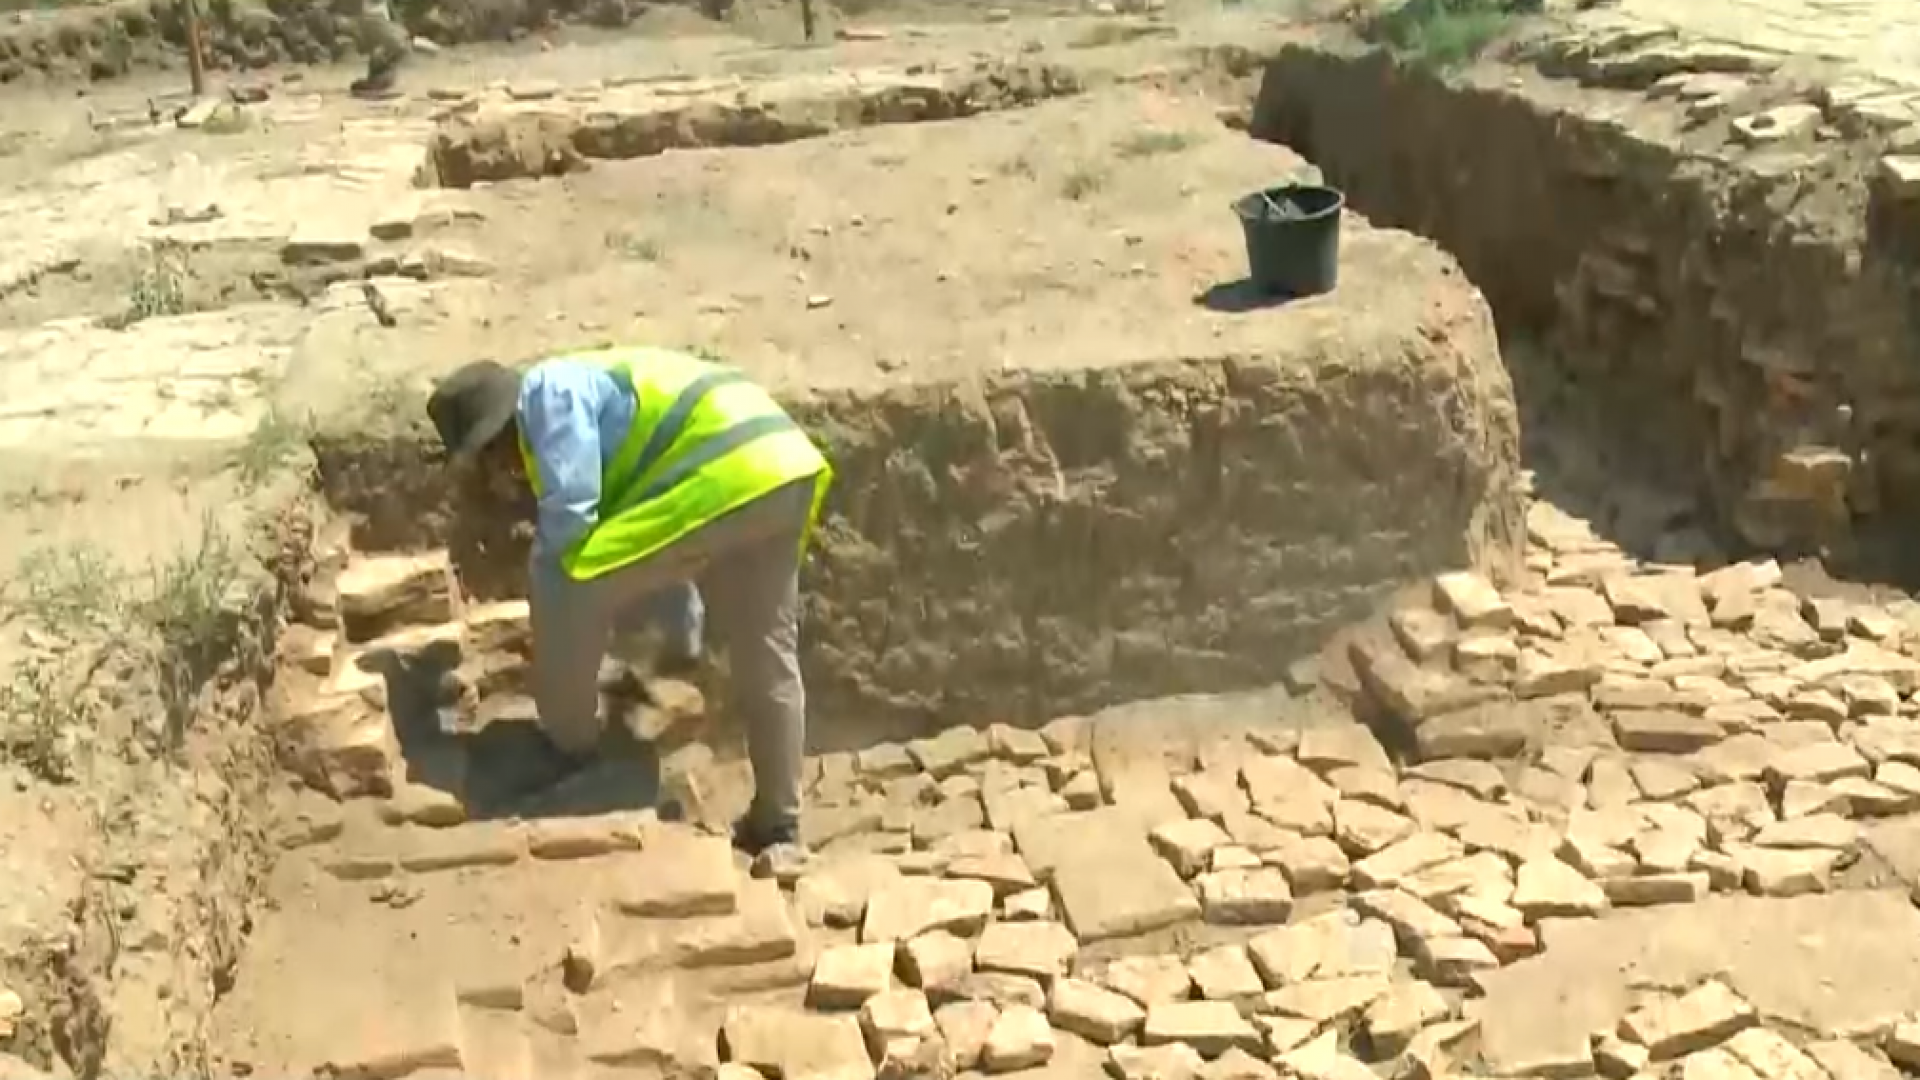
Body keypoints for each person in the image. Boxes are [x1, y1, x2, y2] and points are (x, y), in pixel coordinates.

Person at [425, 347, 833, 857]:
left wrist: (554, 600)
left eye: (488, 460)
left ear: (497, 433)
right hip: (780, 465)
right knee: (767, 654)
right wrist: (679, 633)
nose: (499, 477)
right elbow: (658, 535)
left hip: (726, 473)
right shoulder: (596, 392)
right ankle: (780, 823)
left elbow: (573, 517)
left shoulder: (550, 394)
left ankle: (568, 740)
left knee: (559, 573)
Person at [350, 0, 411, 99]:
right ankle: (379, 83)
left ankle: (377, 84)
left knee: (379, 57)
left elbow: (362, 48)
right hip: (397, 37)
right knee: (381, 59)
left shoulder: (368, 19)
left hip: (390, 37)